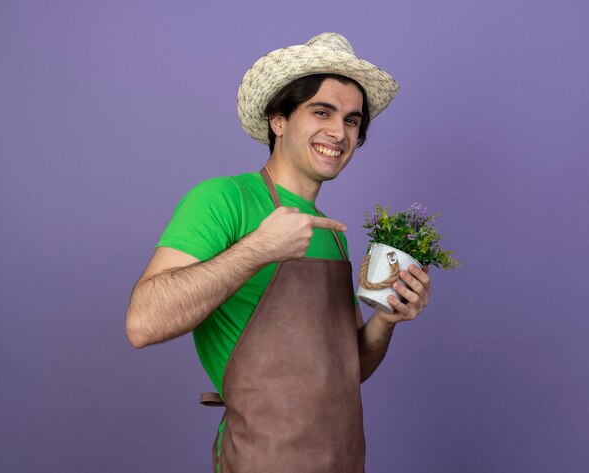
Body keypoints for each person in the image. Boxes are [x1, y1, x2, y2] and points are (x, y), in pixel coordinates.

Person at [126, 32, 431, 473]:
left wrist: (387, 318)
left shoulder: (333, 234)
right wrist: (257, 250)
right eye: (321, 112)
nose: (338, 132)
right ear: (278, 120)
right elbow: (142, 323)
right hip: (261, 459)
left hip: (343, 460)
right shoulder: (223, 200)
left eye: (351, 120)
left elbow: (346, 372)